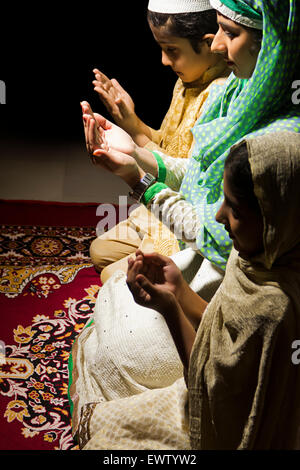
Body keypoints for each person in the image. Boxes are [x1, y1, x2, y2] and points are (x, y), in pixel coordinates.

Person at [71, 131, 300, 449]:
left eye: (233, 209)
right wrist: (178, 289)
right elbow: (221, 330)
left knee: (105, 443)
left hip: (219, 422)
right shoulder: (259, 254)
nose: (219, 216)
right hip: (200, 387)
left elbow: (213, 393)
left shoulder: (275, 309)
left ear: (273, 221)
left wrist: (169, 309)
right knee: (108, 421)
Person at [82, 0, 300, 292]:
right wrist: (133, 149)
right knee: (105, 261)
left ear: (271, 40)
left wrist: (138, 178)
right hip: (183, 218)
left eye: (231, 33)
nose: (217, 46)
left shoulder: (277, 140)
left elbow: (216, 235)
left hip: (213, 260)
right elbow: (196, 170)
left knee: (116, 284)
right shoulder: (241, 89)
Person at [87, 0, 230, 281]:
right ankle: (145, 251)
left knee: (112, 276)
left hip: (185, 213)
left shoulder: (222, 93)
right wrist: (131, 121)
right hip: (161, 201)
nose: (164, 61)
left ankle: (159, 259)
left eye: (171, 50)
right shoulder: (186, 82)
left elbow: (189, 175)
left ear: (208, 43)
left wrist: (134, 152)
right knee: (99, 251)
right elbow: (167, 145)